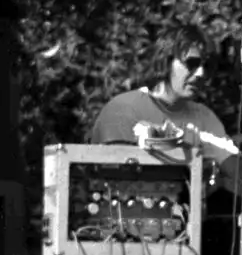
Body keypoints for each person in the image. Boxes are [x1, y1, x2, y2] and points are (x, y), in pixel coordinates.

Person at [90, 24, 234, 160]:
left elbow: (239, 174)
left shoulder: (204, 119)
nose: (201, 73)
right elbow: (116, 176)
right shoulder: (124, 109)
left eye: (207, 66)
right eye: (192, 63)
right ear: (166, 61)